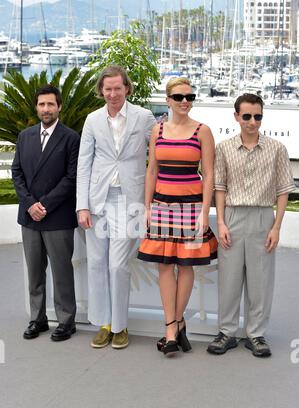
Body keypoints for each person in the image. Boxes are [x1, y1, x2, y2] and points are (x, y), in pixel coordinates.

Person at [207, 93, 296, 358]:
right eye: (247, 116)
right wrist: (221, 222)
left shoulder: (277, 149)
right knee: (229, 278)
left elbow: (283, 190)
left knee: (261, 279)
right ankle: (227, 332)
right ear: (236, 117)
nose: (252, 121)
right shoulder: (223, 148)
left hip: (262, 216)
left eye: (257, 116)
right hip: (232, 216)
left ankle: (256, 334)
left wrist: (277, 227)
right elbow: (219, 188)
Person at [76, 65, 156, 350]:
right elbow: (83, 164)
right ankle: (103, 324)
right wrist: (81, 206)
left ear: (126, 88)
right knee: (97, 263)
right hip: (97, 201)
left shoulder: (144, 117)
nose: (112, 93)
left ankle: (120, 326)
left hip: (129, 200)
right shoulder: (92, 120)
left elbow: (158, 154)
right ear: (101, 91)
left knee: (118, 264)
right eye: (107, 89)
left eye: (117, 88)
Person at [138, 77, 218, 356]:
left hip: (191, 207)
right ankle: (174, 325)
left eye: (190, 96)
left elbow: (209, 175)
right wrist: (147, 207)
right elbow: (152, 171)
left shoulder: (202, 131)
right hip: (162, 206)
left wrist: (205, 213)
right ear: (168, 100)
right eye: (179, 97)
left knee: (186, 266)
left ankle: (173, 326)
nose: (185, 101)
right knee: (163, 266)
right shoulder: (157, 130)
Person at [12, 84, 80, 341]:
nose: (46, 109)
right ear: (36, 107)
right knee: (34, 271)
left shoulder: (71, 138)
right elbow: (16, 173)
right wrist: (30, 204)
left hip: (58, 216)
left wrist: (45, 205)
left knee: (62, 271)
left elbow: (71, 178)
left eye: (51, 104)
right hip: (29, 217)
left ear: (59, 107)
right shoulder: (25, 136)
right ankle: (37, 319)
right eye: (42, 104)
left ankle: (66, 321)